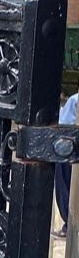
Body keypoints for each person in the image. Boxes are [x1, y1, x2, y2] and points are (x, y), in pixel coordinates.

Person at [56, 90, 76, 239]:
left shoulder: (74, 100)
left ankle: (67, 223)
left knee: (64, 185)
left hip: (68, 149)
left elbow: (63, 123)